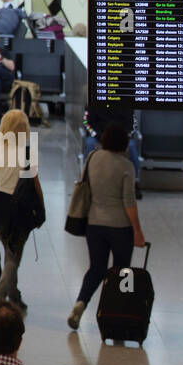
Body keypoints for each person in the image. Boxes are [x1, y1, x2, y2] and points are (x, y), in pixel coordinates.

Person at [68, 121, 146, 331]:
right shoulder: (126, 166)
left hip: (94, 225)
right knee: (123, 272)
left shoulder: (92, 158)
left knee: (96, 269)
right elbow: (129, 203)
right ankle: (119, 314)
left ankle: (81, 303)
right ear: (123, 143)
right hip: (120, 228)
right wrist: (137, 231)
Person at [0, 109, 44, 314]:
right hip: (20, 208)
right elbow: (35, 184)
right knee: (13, 257)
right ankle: (0, 296)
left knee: (9, 253)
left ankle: (14, 295)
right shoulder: (27, 153)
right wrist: (42, 208)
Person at [82, 101, 140, 194]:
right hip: (98, 137)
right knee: (90, 145)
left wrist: (125, 137)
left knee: (132, 147)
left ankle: (135, 182)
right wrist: (99, 137)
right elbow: (87, 123)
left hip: (121, 137)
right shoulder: (93, 102)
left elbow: (133, 125)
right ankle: (85, 181)